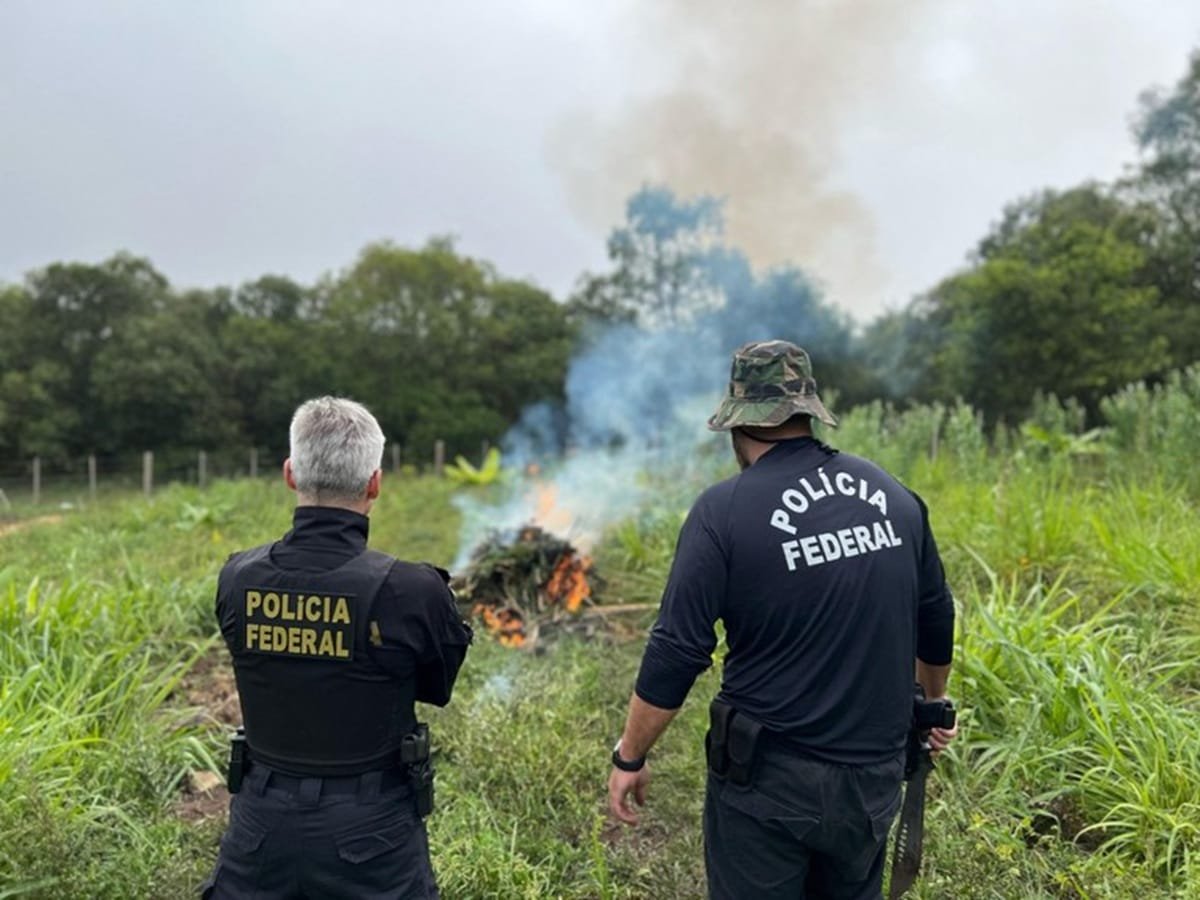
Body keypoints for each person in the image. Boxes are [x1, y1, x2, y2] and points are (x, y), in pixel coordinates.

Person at [607, 340, 958, 899]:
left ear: (736, 425)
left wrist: (630, 755)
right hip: (872, 780)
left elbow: (676, 651)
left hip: (767, 785)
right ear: (807, 413)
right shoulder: (894, 496)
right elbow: (936, 615)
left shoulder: (722, 511)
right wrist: (930, 705)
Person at [203, 396, 472, 899]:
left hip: (259, 827)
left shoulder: (237, 577)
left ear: (290, 474)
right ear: (375, 483)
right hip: (373, 832)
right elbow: (436, 688)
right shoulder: (412, 589)